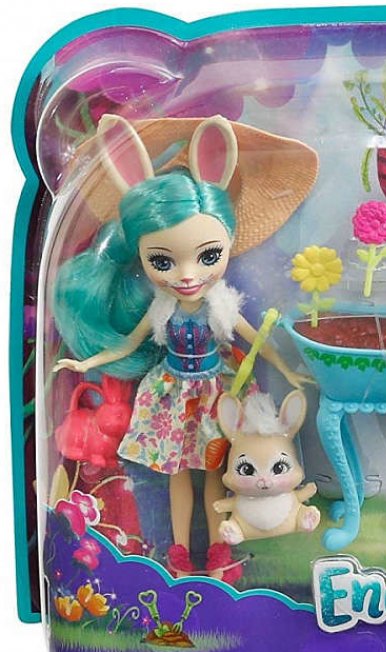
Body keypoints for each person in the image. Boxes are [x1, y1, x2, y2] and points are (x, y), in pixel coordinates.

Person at [52, 115, 317, 583]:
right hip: (172, 397)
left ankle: (219, 549)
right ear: (143, 256)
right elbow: (130, 343)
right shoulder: (161, 308)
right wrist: (88, 359)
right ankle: (177, 549)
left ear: (227, 244)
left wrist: (288, 370)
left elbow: (254, 339)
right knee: (177, 476)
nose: (188, 274)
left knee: (215, 474)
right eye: (163, 261)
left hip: (214, 395)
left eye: (208, 256)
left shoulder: (219, 304)